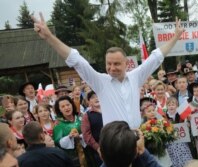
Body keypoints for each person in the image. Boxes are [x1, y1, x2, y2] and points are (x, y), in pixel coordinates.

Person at [32, 13, 184, 128]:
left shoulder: (136, 76)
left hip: (139, 139)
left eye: (117, 64)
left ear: (126, 63)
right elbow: (76, 60)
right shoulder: (100, 81)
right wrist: (49, 37)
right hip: (115, 145)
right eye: (108, 64)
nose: (112, 68)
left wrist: (176, 37)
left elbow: (156, 57)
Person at [53, 96, 86, 167]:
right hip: (72, 158)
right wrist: (69, 137)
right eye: (63, 106)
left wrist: (80, 137)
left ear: (72, 105)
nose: (66, 108)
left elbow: (89, 132)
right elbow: (57, 142)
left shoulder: (81, 118)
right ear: (59, 110)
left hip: (88, 153)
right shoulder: (59, 124)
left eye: (68, 105)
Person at [81, 91, 103, 166]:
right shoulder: (87, 116)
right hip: (99, 151)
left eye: (98, 96)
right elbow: (86, 135)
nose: (96, 98)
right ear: (89, 102)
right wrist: (97, 148)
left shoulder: (110, 111)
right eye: (93, 97)